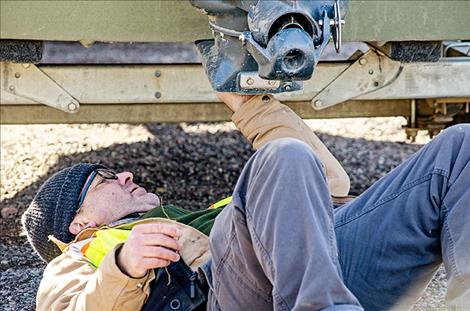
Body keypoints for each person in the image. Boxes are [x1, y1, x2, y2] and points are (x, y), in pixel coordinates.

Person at [22, 93, 469, 311]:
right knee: (283, 156)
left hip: (320, 277)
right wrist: (121, 266)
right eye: (102, 180)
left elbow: (327, 184)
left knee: (459, 149)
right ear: (78, 224)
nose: (125, 175)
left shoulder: (187, 218)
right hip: (223, 300)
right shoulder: (79, 258)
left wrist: (249, 103)